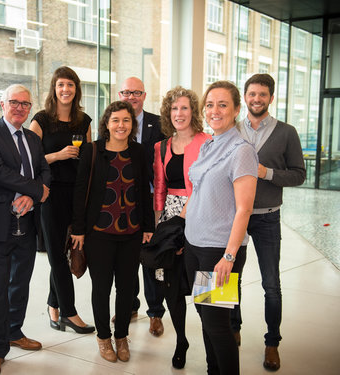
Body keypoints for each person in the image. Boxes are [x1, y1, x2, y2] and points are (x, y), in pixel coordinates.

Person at [0, 84, 51, 375]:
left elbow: (44, 170)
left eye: (25, 103)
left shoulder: (32, 138)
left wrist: (33, 196)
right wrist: (37, 190)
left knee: (21, 281)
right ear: (2, 103)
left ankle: (14, 331)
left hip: (27, 221)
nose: (19, 107)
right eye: (14, 102)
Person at [182, 81, 258, 375]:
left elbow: (245, 208)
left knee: (218, 325)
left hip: (218, 250)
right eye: (210, 104)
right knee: (205, 316)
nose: (215, 110)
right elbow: (198, 192)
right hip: (194, 245)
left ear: (237, 110)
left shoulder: (241, 151)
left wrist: (228, 256)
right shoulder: (209, 145)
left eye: (223, 104)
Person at [71, 101, 154, 363]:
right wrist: (79, 230)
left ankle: (121, 337)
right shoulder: (92, 150)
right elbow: (80, 191)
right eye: (116, 120)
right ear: (107, 123)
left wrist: (149, 225)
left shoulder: (139, 152)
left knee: (127, 288)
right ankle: (104, 338)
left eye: (126, 120)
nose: (121, 125)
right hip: (99, 233)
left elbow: (144, 189)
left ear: (133, 124)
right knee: (102, 288)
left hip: (131, 232)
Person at [233, 73, 306, 371]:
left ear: (271, 98)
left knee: (271, 284)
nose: (256, 99)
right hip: (234, 216)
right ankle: (231, 328)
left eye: (262, 94)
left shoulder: (287, 132)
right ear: (245, 96)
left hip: (266, 218)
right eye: (252, 94)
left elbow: (299, 174)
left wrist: (267, 173)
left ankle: (272, 343)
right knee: (228, 277)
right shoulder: (232, 130)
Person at [29, 66, 94, 334]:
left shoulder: (84, 121)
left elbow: (89, 162)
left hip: (77, 194)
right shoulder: (42, 120)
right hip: (51, 194)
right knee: (57, 254)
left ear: (76, 89)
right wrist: (57, 155)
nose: (65, 89)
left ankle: (53, 305)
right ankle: (69, 312)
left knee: (66, 252)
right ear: (54, 89)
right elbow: (29, 160)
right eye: (60, 85)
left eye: (70, 84)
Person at [153, 86, 211, 369]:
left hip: (204, 218)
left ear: (194, 112)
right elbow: (160, 190)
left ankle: (217, 343)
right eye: (174, 108)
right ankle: (181, 340)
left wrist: (185, 217)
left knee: (208, 291)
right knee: (171, 286)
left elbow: (212, 187)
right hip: (171, 221)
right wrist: (159, 229)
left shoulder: (209, 142)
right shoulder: (161, 146)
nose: (179, 113)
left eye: (185, 108)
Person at [118, 76, 165, 336]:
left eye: (136, 92)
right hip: (121, 204)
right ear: (119, 94)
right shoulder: (112, 123)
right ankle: (130, 306)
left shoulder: (158, 124)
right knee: (125, 260)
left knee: (151, 258)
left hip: (148, 201)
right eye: (127, 92)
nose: (131, 97)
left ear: (144, 95)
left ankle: (155, 312)